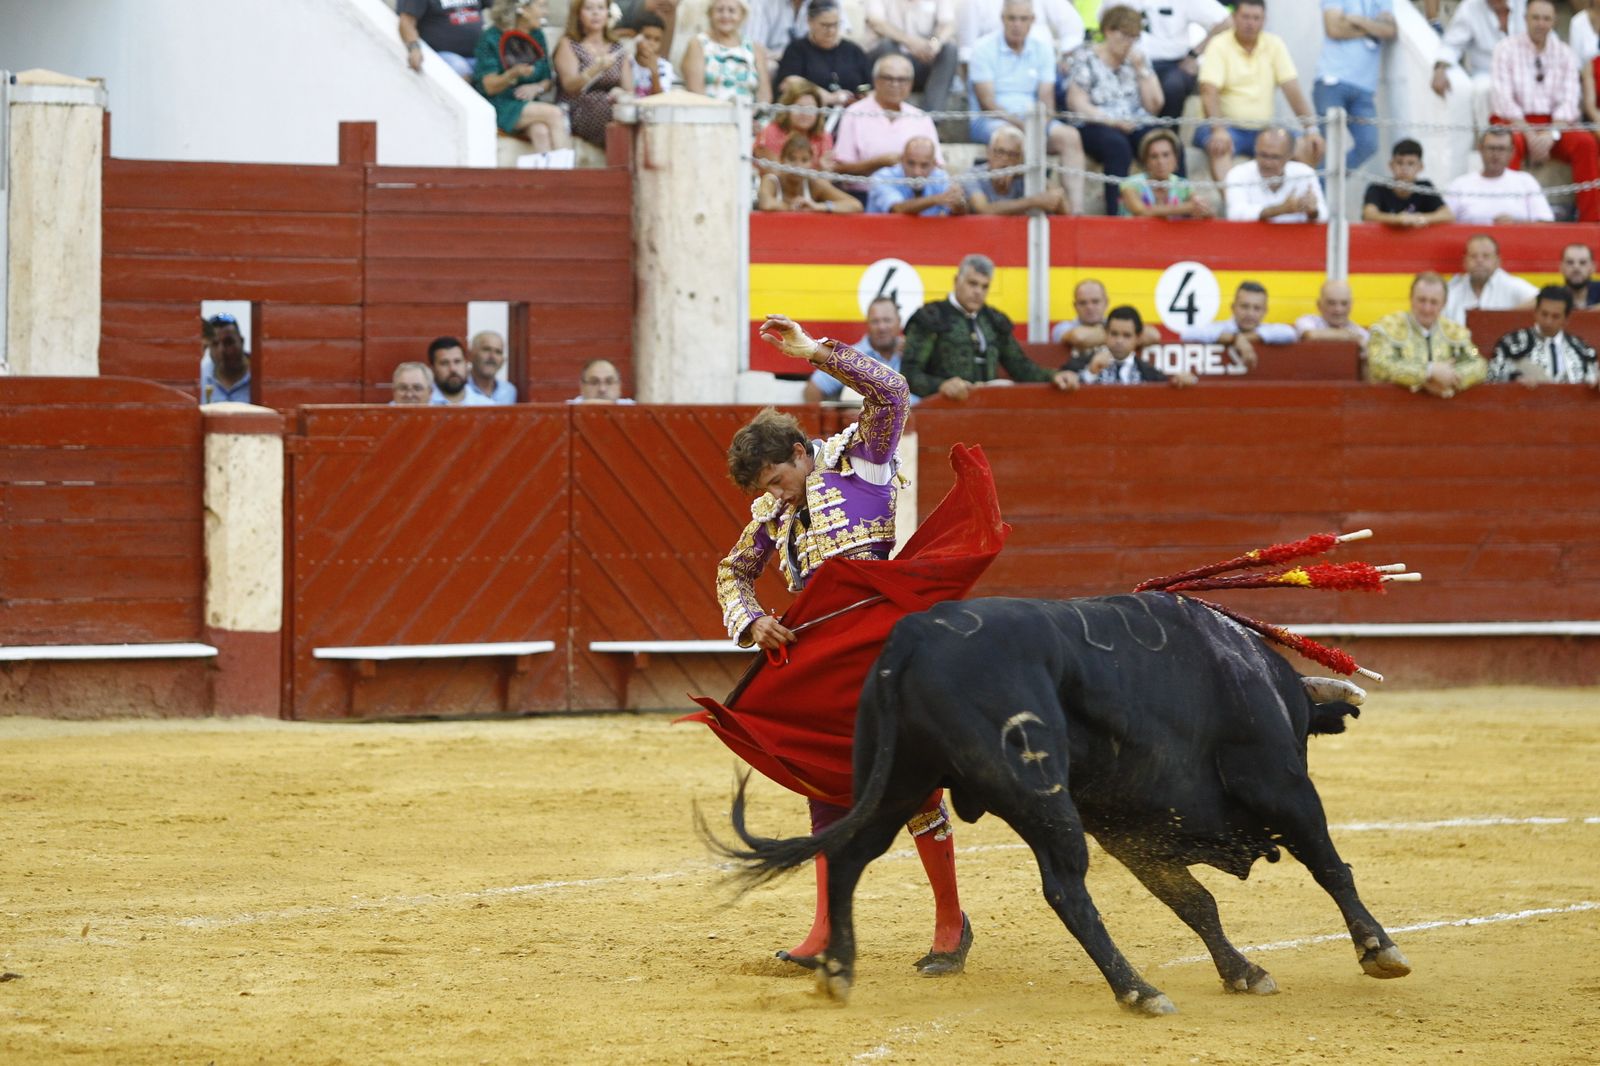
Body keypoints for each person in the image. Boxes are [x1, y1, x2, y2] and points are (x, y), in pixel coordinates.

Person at [715, 314, 970, 976]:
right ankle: (825, 928)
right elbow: (732, 571)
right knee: (820, 778)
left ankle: (950, 922)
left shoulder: (861, 459)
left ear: (800, 453)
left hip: (886, 642)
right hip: (823, 650)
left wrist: (813, 352)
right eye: (763, 491)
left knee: (914, 785)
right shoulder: (771, 512)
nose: (772, 498)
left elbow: (892, 392)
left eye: (776, 481)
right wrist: (754, 621)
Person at [902, 254, 1082, 399]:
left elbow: (1020, 367)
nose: (978, 291)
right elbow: (909, 374)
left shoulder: (994, 320)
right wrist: (940, 385)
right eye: (972, 284)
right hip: (942, 409)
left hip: (986, 409)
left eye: (984, 286)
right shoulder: (931, 317)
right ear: (957, 281)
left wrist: (1053, 376)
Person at [968, 0, 1087, 214]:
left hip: (1033, 119)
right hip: (995, 120)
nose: (1017, 24)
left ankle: (1074, 214)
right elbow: (988, 103)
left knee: (1070, 137)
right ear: (1002, 19)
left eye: (1023, 19)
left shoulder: (1043, 49)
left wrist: (1042, 122)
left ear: (1032, 21)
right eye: (1011, 18)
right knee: (1010, 138)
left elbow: (1046, 99)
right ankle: (1022, 205)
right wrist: (1026, 126)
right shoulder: (983, 48)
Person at [1490, 0, 1600, 222]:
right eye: (1536, 18)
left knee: (1585, 144)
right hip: (1515, 123)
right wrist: (1531, 135)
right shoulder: (1505, 49)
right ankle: (1505, 216)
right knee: (1505, 144)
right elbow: (1503, 99)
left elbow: (1570, 101)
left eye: (1546, 19)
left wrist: (1550, 135)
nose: (1541, 24)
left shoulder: (1565, 53)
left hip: (1556, 125)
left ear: (1554, 22)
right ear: (1525, 19)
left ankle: (1592, 221)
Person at [1196, 0, 1324, 182]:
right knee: (1220, 147)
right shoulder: (1218, 44)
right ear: (1234, 18)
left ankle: (1299, 204)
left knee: (1308, 146)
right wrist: (1218, 129)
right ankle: (1234, 207)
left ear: (1264, 20)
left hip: (1263, 129)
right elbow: (1209, 90)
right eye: (1245, 17)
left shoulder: (1274, 44)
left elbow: (1292, 89)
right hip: (1226, 128)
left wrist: (1311, 128)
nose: (1250, 23)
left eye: (1256, 18)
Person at [1065, 4, 1164, 216]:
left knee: (1162, 141)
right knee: (1117, 146)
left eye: (1133, 37)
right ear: (1108, 31)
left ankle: (1175, 210)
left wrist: (1142, 71)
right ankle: (1115, 214)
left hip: (1134, 122)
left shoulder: (1138, 59)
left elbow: (1155, 105)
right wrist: (1111, 121)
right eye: (1124, 35)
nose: (1128, 43)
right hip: (1097, 123)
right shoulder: (1086, 57)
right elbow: (1077, 102)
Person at [832, 55, 945, 195]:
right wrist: (878, 163)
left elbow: (937, 166)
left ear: (911, 84)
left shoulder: (921, 118)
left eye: (902, 79)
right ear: (876, 80)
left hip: (913, 199)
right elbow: (839, 169)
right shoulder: (854, 114)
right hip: (865, 196)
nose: (895, 84)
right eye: (888, 78)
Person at [475, 0, 571, 159]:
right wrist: (512, 74)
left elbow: (547, 79)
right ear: (523, 10)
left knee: (541, 131)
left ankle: (548, 182)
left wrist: (536, 88)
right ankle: (570, 178)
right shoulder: (490, 38)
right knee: (554, 114)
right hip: (500, 104)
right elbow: (489, 86)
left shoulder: (537, 35)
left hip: (528, 105)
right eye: (541, 6)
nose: (545, 12)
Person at [1110, 0, 1232, 122]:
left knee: (1173, 87)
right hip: (1125, 62)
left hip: (1172, 65)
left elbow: (1227, 22)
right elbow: (1106, 24)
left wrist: (1194, 54)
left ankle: (1166, 136)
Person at [1367, 273, 1486, 397]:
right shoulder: (1386, 329)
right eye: (1421, 300)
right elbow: (1378, 363)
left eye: (1434, 302)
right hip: (1393, 409)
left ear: (1444, 304)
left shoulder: (1456, 333)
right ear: (1411, 299)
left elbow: (1477, 360)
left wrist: (1450, 376)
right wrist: (1428, 372)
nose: (1427, 308)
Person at [1314, 0, 1395, 174]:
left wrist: (1356, 20)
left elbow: (1389, 30)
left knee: (1368, 145)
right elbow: (1334, 29)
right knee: (1327, 148)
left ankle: (1321, 187)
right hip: (1332, 81)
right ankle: (1317, 194)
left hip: (1365, 89)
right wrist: (1373, 28)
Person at [1432, 0, 1525, 131]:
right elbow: (1452, 44)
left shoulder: (1524, 3)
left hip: (1525, 71)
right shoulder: (1469, 7)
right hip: (1487, 73)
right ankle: (1488, 140)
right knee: (1482, 89)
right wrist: (1440, 68)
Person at [555, 0, 634, 150]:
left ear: (608, 13)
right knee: (608, 112)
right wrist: (596, 69)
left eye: (600, 8)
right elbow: (570, 87)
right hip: (579, 106)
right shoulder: (570, 44)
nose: (595, 13)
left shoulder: (617, 47)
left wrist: (620, 93)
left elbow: (629, 90)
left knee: (630, 111)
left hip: (611, 103)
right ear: (578, 14)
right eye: (589, 8)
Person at [803, 295, 910, 401]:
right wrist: (826, 417)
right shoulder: (851, 356)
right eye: (875, 321)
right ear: (867, 324)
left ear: (899, 322)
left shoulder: (912, 352)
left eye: (887, 320)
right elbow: (814, 388)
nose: (881, 327)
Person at [1487, 285, 1600, 385]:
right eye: (1544, 314)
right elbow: (1492, 379)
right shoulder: (1511, 344)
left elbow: (1592, 381)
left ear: (1566, 319)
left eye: (1555, 316)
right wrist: (1515, 380)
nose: (1548, 321)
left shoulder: (1583, 350)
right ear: (1535, 312)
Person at [862, 0, 959, 113]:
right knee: (886, 46)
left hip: (925, 59)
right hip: (890, 60)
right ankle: (895, 111)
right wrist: (910, 42)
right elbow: (876, 23)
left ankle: (931, 116)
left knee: (949, 49)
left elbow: (948, 24)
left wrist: (935, 43)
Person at [1066, 305, 1198, 386]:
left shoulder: (1149, 373)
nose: (1119, 340)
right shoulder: (1082, 363)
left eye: (1126, 335)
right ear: (1106, 334)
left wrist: (1186, 380)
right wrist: (1090, 372)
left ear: (1138, 338)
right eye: (1114, 334)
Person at [1444, 127, 1554, 223]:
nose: (1495, 154)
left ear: (1511, 152)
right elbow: (1445, 221)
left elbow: (1546, 223)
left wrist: (1517, 224)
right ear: (1480, 149)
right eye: (1491, 148)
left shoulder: (1526, 181)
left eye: (1501, 149)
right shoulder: (1460, 184)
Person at [775, 0, 872, 106]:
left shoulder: (854, 51)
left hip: (852, 112)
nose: (831, 30)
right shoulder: (797, 49)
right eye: (825, 25)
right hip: (812, 114)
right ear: (810, 22)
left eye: (835, 25)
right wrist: (829, 97)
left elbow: (870, 86)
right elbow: (789, 82)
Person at [1179, 280, 1295, 368]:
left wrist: (1242, 338)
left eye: (1257, 308)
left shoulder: (1268, 330)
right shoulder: (1221, 327)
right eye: (1244, 306)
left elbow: (1289, 333)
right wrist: (1234, 338)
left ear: (1265, 311)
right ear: (1233, 307)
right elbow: (1187, 334)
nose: (1250, 313)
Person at [1224, 127, 1327, 223]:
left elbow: (1324, 215)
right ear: (1255, 150)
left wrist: (1312, 212)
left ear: (1290, 156)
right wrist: (1280, 210)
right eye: (1263, 155)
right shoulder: (1238, 174)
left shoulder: (1304, 173)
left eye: (1275, 157)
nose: (1268, 163)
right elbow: (1235, 214)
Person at [684, 0, 774, 104]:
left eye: (732, 11)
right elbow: (695, 91)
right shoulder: (698, 43)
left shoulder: (755, 48)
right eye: (719, 10)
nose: (725, 15)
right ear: (710, 14)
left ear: (742, 15)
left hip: (750, 116)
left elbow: (764, 94)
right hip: (709, 113)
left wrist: (755, 115)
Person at [965, 126, 1070, 215]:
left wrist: (1026, 173)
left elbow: (1059, 202)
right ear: (989, 153)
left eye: (1012, 155)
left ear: (1021, 159)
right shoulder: (974, 175)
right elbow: (984, 210)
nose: (1005, 159)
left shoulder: (1024, 177)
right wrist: (1033, 202)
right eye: (1000, 152)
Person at [1444, 233, 1540, 323]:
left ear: (1497, 261)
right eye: (1473, 256)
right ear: (1465, 261)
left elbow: (1544, 300)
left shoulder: (1509, 284)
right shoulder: (1453, 290)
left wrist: (1505, 317)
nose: (1479, 261)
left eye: (1486, 256)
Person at [1051, 277, 1159, 356]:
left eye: (1095, 301)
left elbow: (1153, 335)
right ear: (1075, 306)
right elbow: (1079, 337)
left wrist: (1106, 334)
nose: (1089, 307)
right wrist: (1120, 334)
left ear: (1106, 302)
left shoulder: (1113, 323)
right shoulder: (1062, 328)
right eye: (1083, 303)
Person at [757, 133, 863, 212]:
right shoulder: (771, 180)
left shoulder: (815, 183)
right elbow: (766, 204)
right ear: (781, 160)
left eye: (804, 160)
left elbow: (855, 205)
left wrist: (817, 206)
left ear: (811, 163)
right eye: (792, 159)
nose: (798, 166)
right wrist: (793, 208)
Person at [1120, 128, 1212, 218]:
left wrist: (1203, 209)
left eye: (1166, 155)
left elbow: (1204, 211)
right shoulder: (1130, 184)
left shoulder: (1183, 186)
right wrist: (1187, 207)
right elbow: (1141, 211)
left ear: (1176, 159)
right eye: (1154, 156)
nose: (1160, 161)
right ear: (1146, 161)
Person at [1362, 139, 1454, 227]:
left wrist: (1420, 218)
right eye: (1399, 163)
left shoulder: (1424, 187)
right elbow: (1369, 215)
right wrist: (1398, 220)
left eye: (1411, 164)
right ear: (1391, 165)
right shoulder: (1377, 187)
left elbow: (1447, 215)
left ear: (1420, 167)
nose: (1404, 169)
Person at [865, 136, 966, 215]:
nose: (917, 172)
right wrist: (936, 199)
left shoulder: (940, 177)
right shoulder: (883, 177)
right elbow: (897, 209)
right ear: (902, 160)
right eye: (911, 163)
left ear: (934, 164)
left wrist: (958, 204)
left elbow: (959, 213)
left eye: (924, 165)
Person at [753, 79, 835, 163]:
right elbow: (772, 172)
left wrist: (822, 169)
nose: (804, 114)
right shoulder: (771, 131)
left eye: (810, 109)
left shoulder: (824, 137)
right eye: (799, 107)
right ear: (786, 108)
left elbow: (827, 172)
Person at [398, 0, 485, 79]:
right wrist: (414, 47)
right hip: (441, 55)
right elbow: (406, 21)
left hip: (477, 53)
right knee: (460, 68)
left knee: (492, 70)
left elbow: (496, 8)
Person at [1295, 279, 1370, 343]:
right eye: (1331, 303)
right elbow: (1310, 335)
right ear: (1319, 305)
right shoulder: (1307, 321)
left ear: (1351, 306)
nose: (1338, 309)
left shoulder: (1360, 332)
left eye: (1344, 303)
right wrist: (1348, 336)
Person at [200, 314, 251, 404]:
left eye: (228, 342)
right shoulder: (201, 377)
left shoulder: (262, 376)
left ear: (242, 342)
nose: (221, 350)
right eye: (215, 344)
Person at [428, 336, 494, 405]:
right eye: (444, 363)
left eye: (457, 361)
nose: (453, 369)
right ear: (432, 368)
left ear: (466, 364)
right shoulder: (424, 404)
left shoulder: (485, 405)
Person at [629, 12, 678, 95]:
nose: (652, 43)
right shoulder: (627, 63)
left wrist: (654, 72)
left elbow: (660, 100)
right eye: (647, 37)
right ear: (636, 37)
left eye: (657, 39)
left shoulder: (664, 66)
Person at [466, 330, 517, 403]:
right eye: (486, 349)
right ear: (470, 355)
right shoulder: (458, 389)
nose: (492, 357)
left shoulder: (509, 392)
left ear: (503, 360)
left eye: (498, 352)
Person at [569, 358, 635, 403]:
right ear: (582, 387)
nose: (602, 389)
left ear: (619, 386)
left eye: (609, 382)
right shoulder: (566, 413)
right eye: (594, 382)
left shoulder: (634, 411)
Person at [1560, 243, 1600, 308]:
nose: (1576, 267)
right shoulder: (1552, 298)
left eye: (1583, 262)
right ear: (1561, 268)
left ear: (1593, 268)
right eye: (1570, 262)